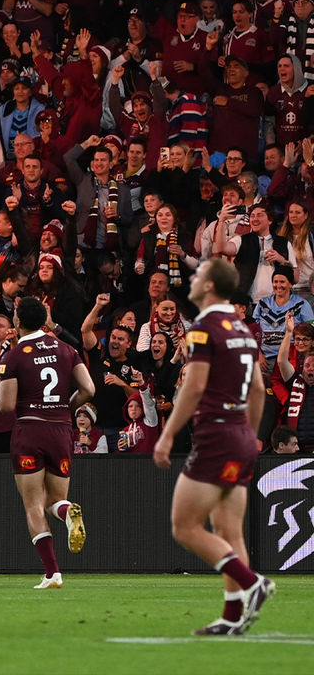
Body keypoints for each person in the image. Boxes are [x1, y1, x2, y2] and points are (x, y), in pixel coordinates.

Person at [153, 257, 275, 635]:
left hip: (217, 435)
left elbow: (193, 385)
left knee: (185, 526)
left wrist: (169, 432)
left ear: (209, 286)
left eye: (199, 274)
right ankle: (232, 617)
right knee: (229, 530)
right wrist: (249, 434)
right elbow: (257, 389)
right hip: (240, 434)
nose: (192, 277)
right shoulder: (241, 328)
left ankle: (253, 582)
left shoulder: (204, 327)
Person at [0, 297, 94, 589]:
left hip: (30, 429)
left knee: (34, 506)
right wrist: (66, 406)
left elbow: (6, 405)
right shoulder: (66, 349)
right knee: (55, 501)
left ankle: (53, 573)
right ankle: (68, 512)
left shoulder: (14, 355)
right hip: (62, 430)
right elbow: (89, 389)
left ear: (18, 321)